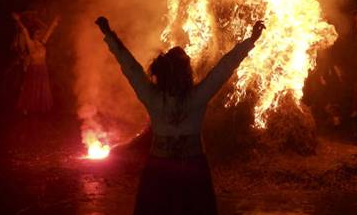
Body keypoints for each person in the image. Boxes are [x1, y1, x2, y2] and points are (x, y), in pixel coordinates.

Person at [96, 16, 264, 215]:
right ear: (186, 73)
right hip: (192, 169)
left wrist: (109, 34)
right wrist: (250, 40)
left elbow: (130, 67)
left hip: (159, 170)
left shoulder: (153, 97)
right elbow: (224, 68)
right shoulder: (196, 97)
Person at [13, 12, 59, 114]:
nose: (39, 35)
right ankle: (26, 108)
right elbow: (24, 30)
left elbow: (49, 32)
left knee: (41, 88)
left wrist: (54, 22)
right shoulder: (31, 43)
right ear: (33, 34)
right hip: (34, 68)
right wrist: (18, 20)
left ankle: (39, 108)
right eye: (37, 33)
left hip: (42, 68)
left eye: (39, 33)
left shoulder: (42, 43)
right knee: (31, 88)